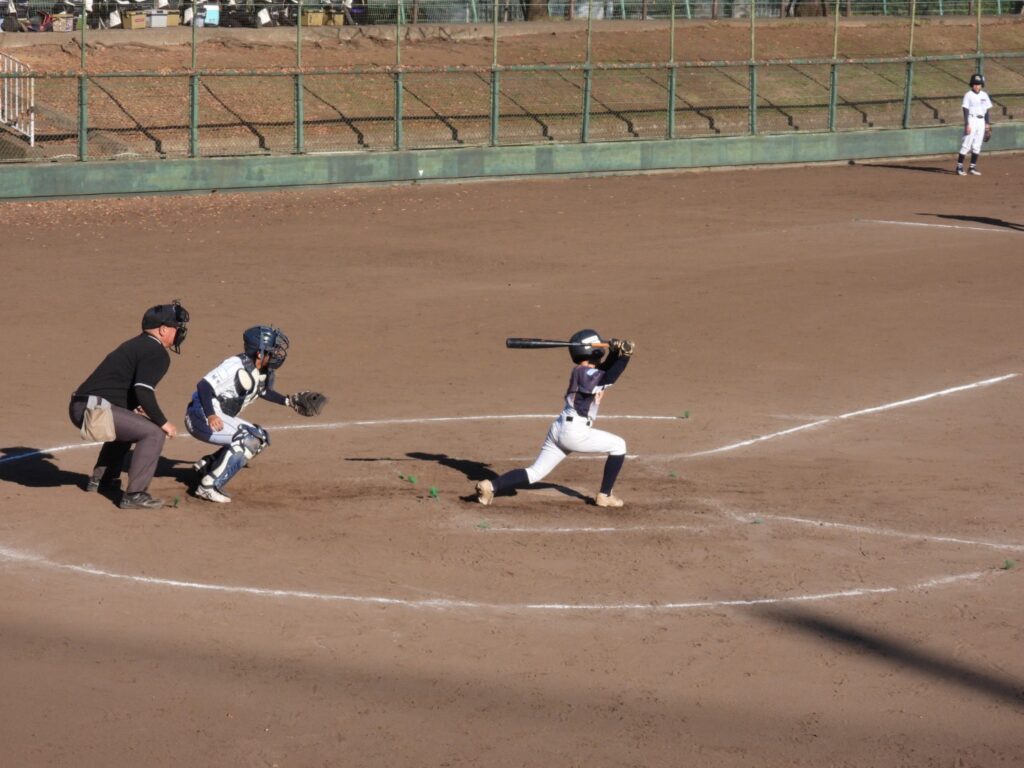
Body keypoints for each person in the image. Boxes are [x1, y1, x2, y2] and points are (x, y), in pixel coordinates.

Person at [475, 329, 635, 508]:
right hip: (575, 432)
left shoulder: (585, 371)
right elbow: (609, 377)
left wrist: (615, 352)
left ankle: (491, 486)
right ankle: (605, 495)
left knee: (535, 472)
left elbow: (603, 371)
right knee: (618, 445)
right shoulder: (584, 373)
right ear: (592, 350)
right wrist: (625, 356)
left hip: (560, 428)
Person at [68, 300, 190, 510]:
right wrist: (163, 423)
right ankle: (135, 495)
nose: (180, 332)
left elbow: (121, 386)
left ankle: (102, 480)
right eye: (176, 327)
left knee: (133, 425)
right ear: (163, 329)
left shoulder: (138, 344)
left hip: (84, 406)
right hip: (94, 410)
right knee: (153, 433)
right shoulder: (156, 351)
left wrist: (133, 407)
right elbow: (143, 390)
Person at [184, 325, 294, 503]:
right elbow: (204, 386)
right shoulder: (234, 365)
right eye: (271, 350)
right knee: (248, 439)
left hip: (211, 414)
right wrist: (211, 415)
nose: (275, 354)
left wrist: (288, 401)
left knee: (260, 437)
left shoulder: (258, 370)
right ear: (259, 353)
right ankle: (208, 486)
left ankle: (208, 465)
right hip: (200, 415)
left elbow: (262, 391)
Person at [955, 73, 993, 177]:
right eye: (975, 84)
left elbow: (986, 111)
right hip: (971, 119)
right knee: (966, 144)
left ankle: (972, 167)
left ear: (982, 85)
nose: (977, 86)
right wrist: (967, 124)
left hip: (981, 121)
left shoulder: (984, 95)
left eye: (979, 84)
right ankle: (959, 167)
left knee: (977, 145)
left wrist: (987, 123)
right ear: (972, 84)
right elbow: (965, 110)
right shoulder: (968, 95)